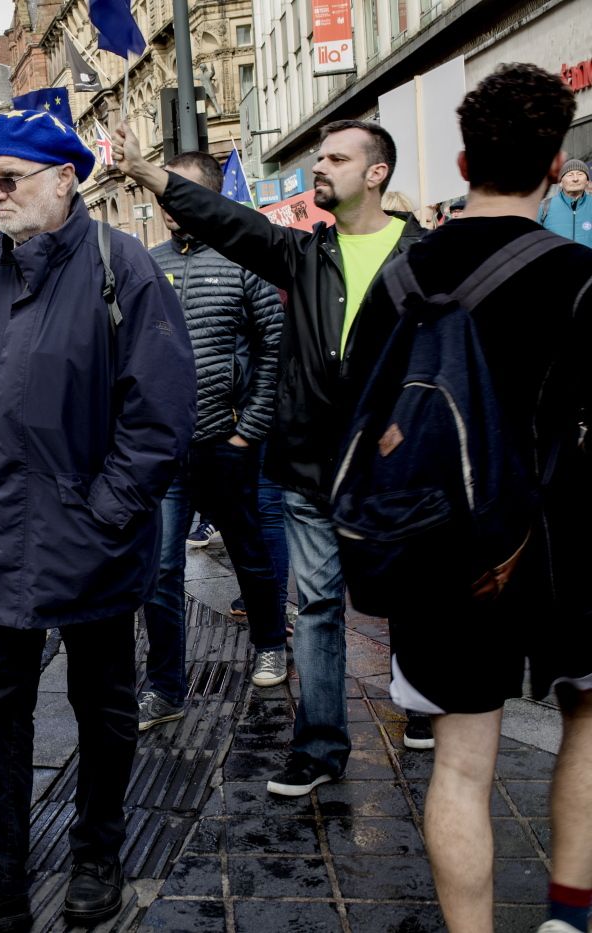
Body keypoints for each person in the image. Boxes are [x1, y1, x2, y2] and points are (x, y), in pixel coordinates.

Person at [0, 110, 195, 933]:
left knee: (103, 705)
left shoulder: (122, 269)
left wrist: (106, 512)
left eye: (7, 179)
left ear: (63, 180)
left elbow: (162, 415)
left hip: (89, 542)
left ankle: (98, 853)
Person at [343, 64, 592, 933]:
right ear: (557, 164)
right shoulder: (580, 276)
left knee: (460, 761)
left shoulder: (406, 276)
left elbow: (360, 402)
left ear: (460, 159)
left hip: (444, 544)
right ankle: (568, 914)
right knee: (588, 717)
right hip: (568, 540)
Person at [114, 113, 430, 796]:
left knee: (405, 591)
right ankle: (317, 747)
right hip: (312, 465)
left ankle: (423, 697)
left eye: (336, 158)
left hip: (390, 470)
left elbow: (446, 357)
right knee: (317, 604)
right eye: (319, 157)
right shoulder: (304, 253)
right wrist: (149, 175)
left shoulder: (423, 257)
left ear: (377, 173)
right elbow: (232, 223)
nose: (320, 166)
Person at [140, 150, 288, 733]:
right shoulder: (146, 265)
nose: (169, 205)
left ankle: (270, 642)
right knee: (160, 569)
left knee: (250, 549)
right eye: (163, 193)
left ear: (209, 196)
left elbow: (274, 347)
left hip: (227, 443)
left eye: (181, 192)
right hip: (166, 449)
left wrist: (247, 430)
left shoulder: (242, 258)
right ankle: (166, 686)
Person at [539, 157, 592, 246]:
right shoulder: (545, 207)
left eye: (580, 174)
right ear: (561, 182)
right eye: (570, 175)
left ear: (587, 181)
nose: (575, 179)